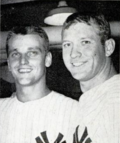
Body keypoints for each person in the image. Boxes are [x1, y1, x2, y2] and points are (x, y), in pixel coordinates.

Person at [0, 26, 79, 143]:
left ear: (47, 59)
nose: (23, 61)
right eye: (15, 54)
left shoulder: (74, 111)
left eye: (32, 53)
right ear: (9, 64)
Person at [62, 13, 120, 143]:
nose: (73, 54)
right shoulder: (95, 99)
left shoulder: (115, 101)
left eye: (85, 42)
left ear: (108, 47)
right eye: (67, 44)